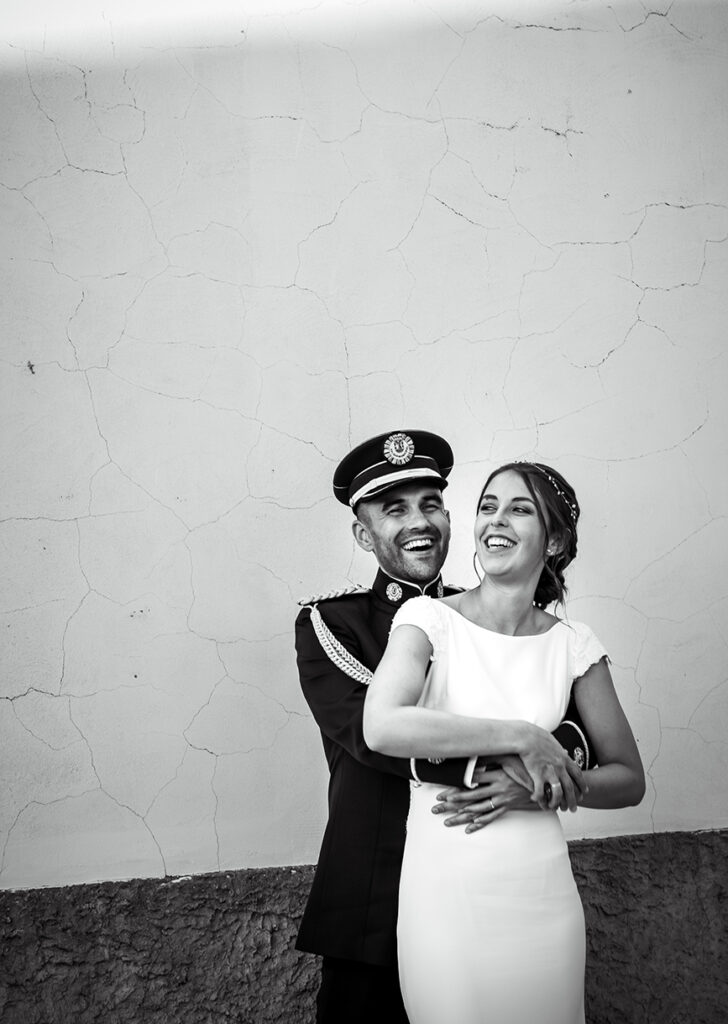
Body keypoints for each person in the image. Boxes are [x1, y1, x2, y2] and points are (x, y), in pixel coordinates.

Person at [295, 434, 589, 1024]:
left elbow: (571, 729)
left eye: (430, 505)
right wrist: (519, 760)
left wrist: (543, 758)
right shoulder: (330, 622)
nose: (419, 522)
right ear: (363, 534)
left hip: (480, 888)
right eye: (395, 510)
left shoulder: (481, 615)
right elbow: (375, 737)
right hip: (373, 892)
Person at [364, 460, 646, 1024]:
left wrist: (539, 791)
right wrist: (524, 737)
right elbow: (383, 726)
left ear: (555, 540)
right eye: (488, 507)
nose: (496, 520)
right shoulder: (427, 619)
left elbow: (628, 780)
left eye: (519, 509)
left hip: (541, 893)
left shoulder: (574, 645)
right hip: (447, 892)